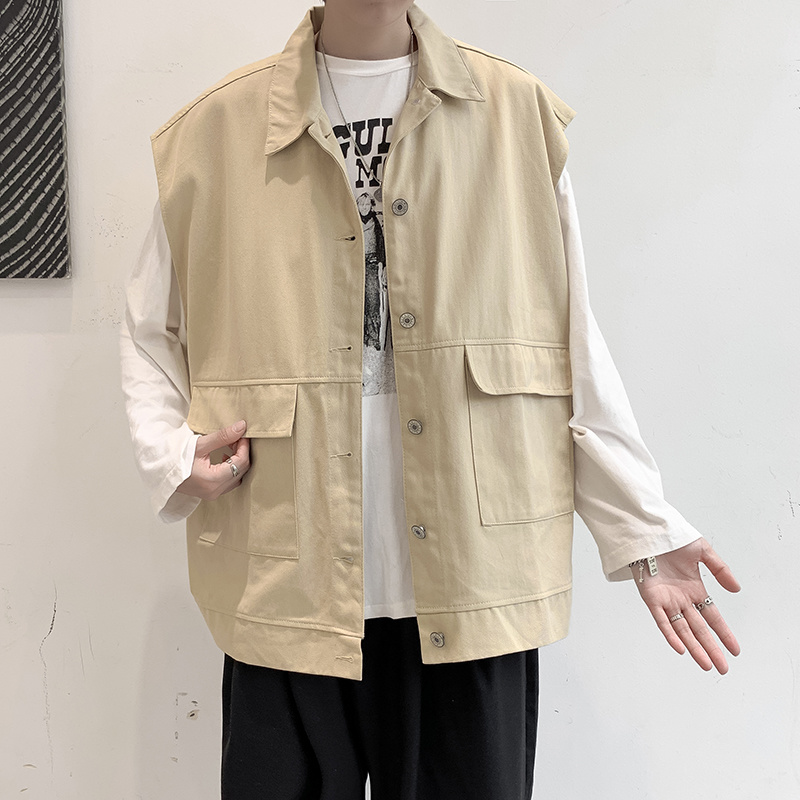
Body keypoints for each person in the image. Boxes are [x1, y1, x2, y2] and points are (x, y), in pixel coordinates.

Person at [119, 2, 742, 797]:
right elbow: (148, 329)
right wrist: (172, 457)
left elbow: (572, 339)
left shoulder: (516, 114)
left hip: (474, 579)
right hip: (286, 581)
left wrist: (641, 527)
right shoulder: (212, 132)